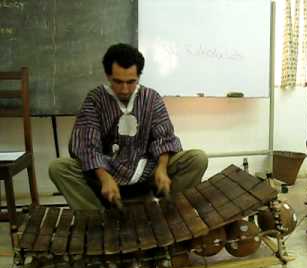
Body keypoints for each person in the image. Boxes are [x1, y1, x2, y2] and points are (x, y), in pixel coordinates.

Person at [49, 43, 208, 210]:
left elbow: (164, 139)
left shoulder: (151, 98)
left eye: (131, 82)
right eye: (118, 82)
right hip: (107, 177)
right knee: (59, 168)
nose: (125, 89)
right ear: (108, 75)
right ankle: (96, 217)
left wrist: (161, 168)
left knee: (197, 159)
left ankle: (170, 212)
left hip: (147, 174)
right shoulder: (95, 99)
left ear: (139, 76)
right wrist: (104, 178)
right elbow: (86, 146)